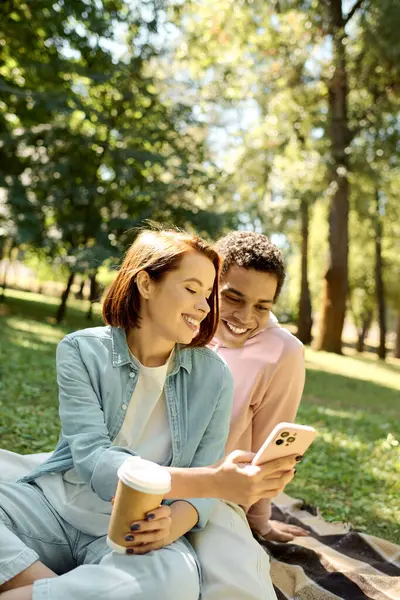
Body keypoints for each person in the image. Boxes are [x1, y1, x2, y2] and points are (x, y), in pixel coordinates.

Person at [0, 228, 296, 600]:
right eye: (192, 290)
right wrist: (214, 483)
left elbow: (202, 482)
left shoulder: (215, 376)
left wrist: (175, 522)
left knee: (175, 581)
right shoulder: (81, 350)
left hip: (138, 528)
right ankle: (51, 587)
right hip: (53, 508)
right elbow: (94, 460)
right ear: (145, 283)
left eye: (207, 295)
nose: (205, 307)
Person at [187, 231, 307, 600]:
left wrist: (259, 520)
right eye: (233, 298)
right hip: (153, 472)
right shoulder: (184, 321)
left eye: (262, 306)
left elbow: (269, 446)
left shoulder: (282, 351)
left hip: (218, 495)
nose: (245, 317)